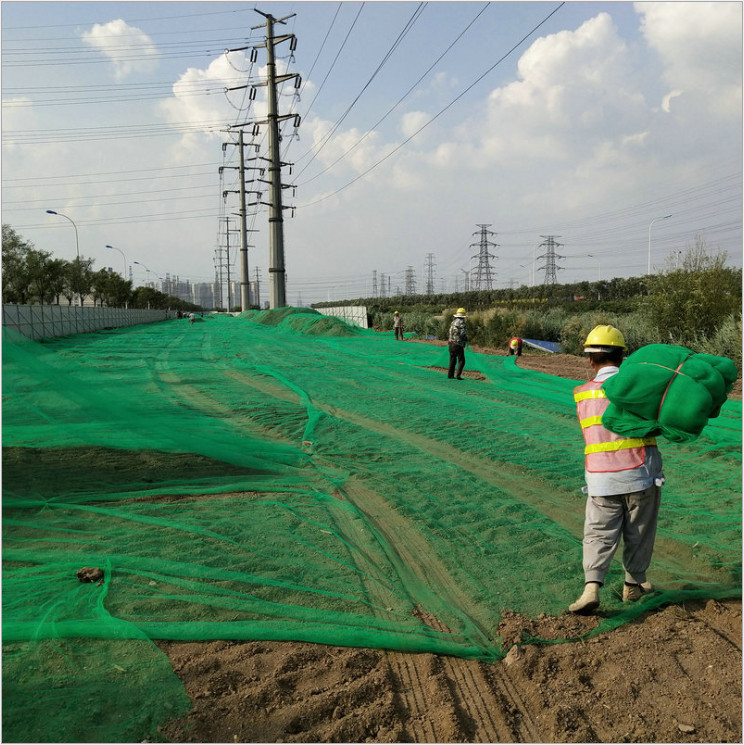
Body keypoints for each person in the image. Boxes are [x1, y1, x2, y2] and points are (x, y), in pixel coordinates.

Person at [569, 324, 663, 614]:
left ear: (590, 359)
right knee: (639, 532)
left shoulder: (582, 395)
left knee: (598, 533)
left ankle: (591, 589)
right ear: (623, 356)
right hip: (639, 474)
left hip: (600, 480)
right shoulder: (639, 390)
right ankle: (632, 585)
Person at [448, 308, 468, 379]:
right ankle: (458, 375)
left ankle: (450, 375)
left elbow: (450, 332)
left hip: (450, 343)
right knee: (461, 360)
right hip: (458, 344)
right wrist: (466, 339)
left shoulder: (453, 322)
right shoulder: (462, 322)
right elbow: (463, 333)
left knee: (452, 359)